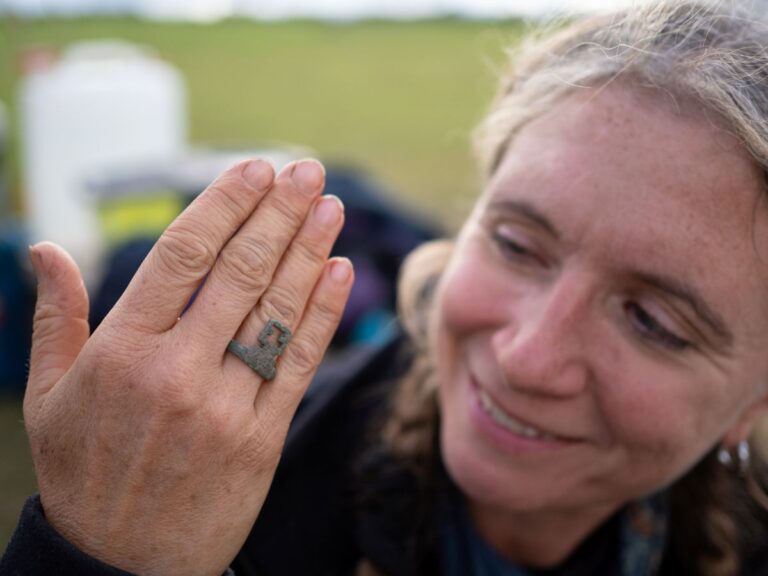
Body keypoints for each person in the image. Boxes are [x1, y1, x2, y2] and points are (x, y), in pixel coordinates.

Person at [3, 1, 768, 575]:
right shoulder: (268, 512)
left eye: (654, 320)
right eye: (516, 244)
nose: (527, 358)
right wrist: (99, 559)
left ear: (755, 404)